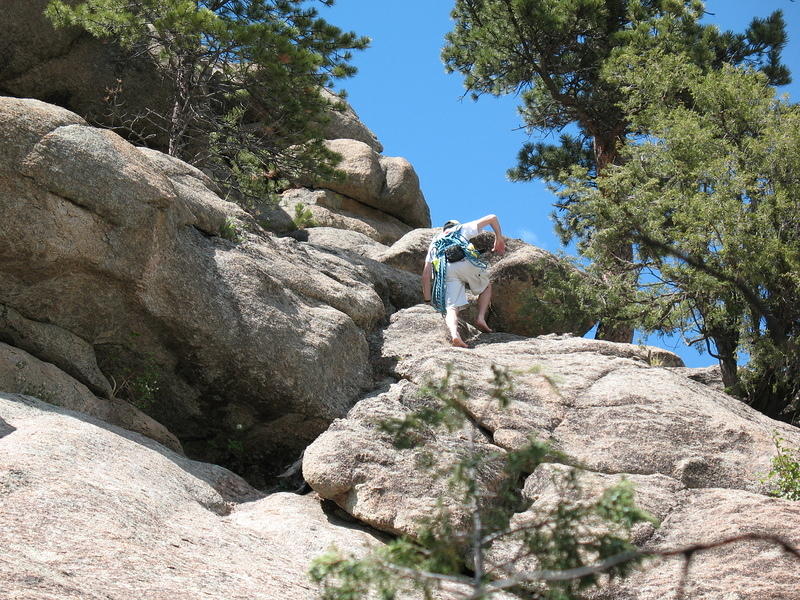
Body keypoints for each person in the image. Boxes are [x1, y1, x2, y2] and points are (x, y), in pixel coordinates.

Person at [422, 214, 505, 347]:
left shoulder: (435, 242)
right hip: (465, 261)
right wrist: (498, 238)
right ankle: (481, 318)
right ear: (455, 225)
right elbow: (492, 217)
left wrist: (427, 300)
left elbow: (426, 274)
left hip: (446, 270)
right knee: (486, 286)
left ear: (444, 229)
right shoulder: (460, 228)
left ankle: (455, 335)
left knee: (452, 308)